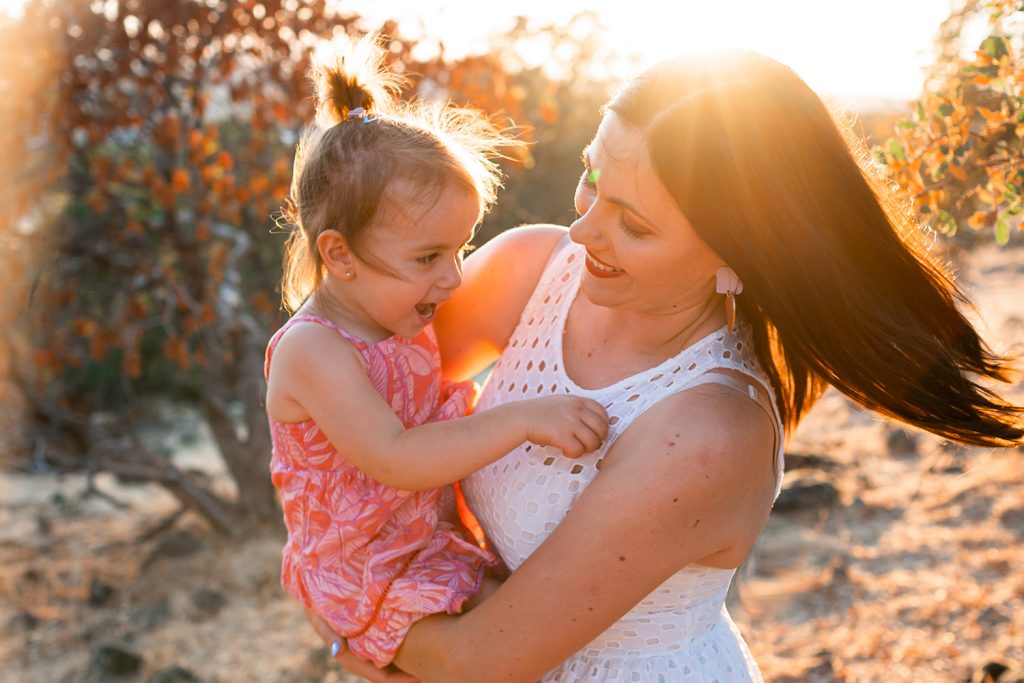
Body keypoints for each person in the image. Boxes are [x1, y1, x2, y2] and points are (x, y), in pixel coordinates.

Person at [306, 49, 1024, 682]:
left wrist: (345, 621)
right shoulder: (534, 270)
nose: (583, 229)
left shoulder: (709, 432)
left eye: (635, 223)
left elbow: (481, 662)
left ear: (738, 255)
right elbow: (336, 380)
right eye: (592, 176)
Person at [263, 35, 608, 672]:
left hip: (423, 550)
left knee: (542, 636)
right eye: (428, 258)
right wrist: (526, 420)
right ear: (338, 255)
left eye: (460, 248)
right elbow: (395, 457)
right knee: (510, 653)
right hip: (365, 570)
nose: (453, 278)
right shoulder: (314, 350)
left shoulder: (397, 312)